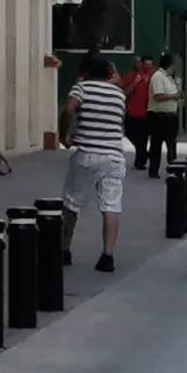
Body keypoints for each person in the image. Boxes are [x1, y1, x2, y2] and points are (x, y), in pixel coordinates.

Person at [58, 54, 127, 273]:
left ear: (85, 72)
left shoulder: (82, 88)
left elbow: (69, 109)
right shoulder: (119, 94)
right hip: (114, 157)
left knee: (71, 203)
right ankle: (107, 256)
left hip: (87, 153)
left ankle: (64, 250)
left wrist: (64, 134)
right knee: (111, 206)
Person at [147, 53, 181, 178]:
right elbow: (158, 96)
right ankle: (153, 170)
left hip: (171, 115)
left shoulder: (170, 78)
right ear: (169, 64)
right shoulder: (158, 77)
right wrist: (174, 96)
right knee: (156, 144)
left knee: (172, 143)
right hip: (159, 116)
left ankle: (174, 167)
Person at [120, 55, 154, 169]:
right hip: (132, 112)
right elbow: (125, 92)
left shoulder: (152, 76)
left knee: (143, 138)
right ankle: (144, 154)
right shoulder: (131, 76)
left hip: (146, 112)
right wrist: (135, 82)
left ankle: (140, 162)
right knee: (130, 133)